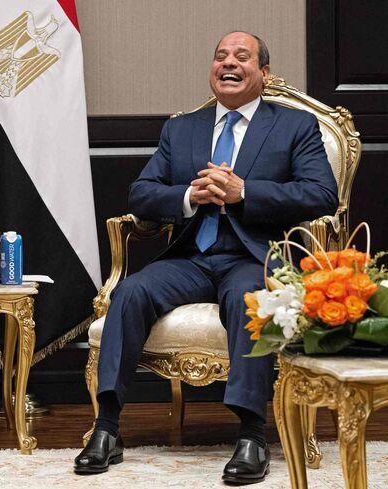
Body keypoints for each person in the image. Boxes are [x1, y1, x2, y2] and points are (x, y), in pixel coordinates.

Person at [73, 32, 338, 485]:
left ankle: (252, 436)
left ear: (264, 73)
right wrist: (189, 196)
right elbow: (141, 193)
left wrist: (244, 192)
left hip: (254, 257)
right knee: (131, 291)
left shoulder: (295, 126)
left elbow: (320, 194)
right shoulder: (183, 128)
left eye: (241, 56)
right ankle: (107, 428)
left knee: (251, 298)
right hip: (192, 258)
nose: (228, 63)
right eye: (220, 56)